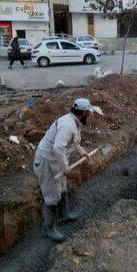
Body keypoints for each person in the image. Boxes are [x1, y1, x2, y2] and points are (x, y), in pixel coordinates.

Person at [33, 98, 102, 242]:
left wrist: (83, 152)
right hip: (47, 163)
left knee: (63, 187)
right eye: (88, 113)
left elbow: (73, 142)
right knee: (52, 196)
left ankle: (64, 214)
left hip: (56, 161)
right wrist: (65, 167)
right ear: (83, 113)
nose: (89, 116)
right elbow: (58, 148)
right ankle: (48, 228)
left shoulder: (75, 123)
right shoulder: (67, 126)